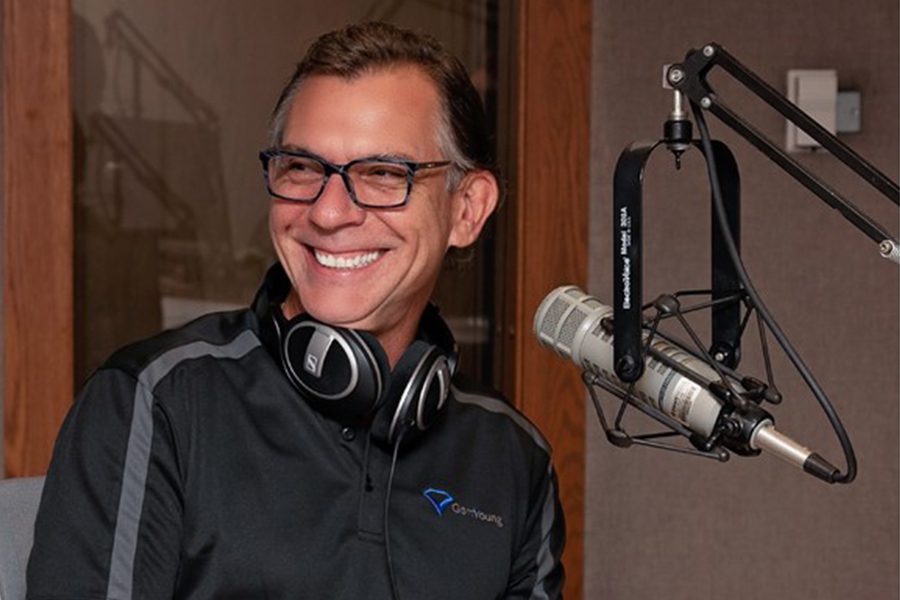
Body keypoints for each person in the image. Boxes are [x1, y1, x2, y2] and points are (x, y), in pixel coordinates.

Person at [27, 21, 565, 600]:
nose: (329, 214)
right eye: (302, 168)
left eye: (383, 174)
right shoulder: (155, 401)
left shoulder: (512, 457)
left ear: (467, 209)